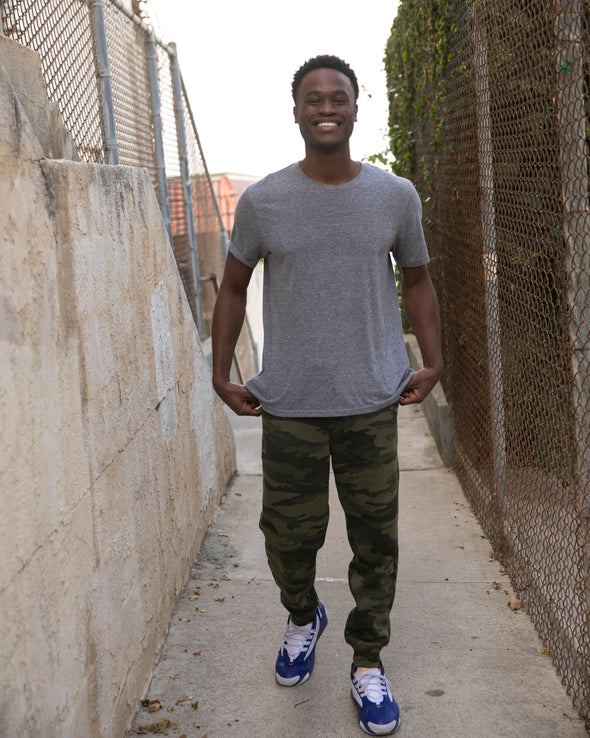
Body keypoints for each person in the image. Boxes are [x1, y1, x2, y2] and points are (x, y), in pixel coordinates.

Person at [211, 54, 442, 736]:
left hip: (372, 399)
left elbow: (420, 280)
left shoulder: (395, 196)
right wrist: (221, 374)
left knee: (375, 541)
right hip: (288, 405)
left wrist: (436, 362)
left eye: (337, 96)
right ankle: (302, 613)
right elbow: (229, 287)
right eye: (313, 98)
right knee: (289, 539)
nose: (325, 107)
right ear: (297, 112)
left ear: (353, 107)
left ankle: (367, 660)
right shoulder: (264, 202)